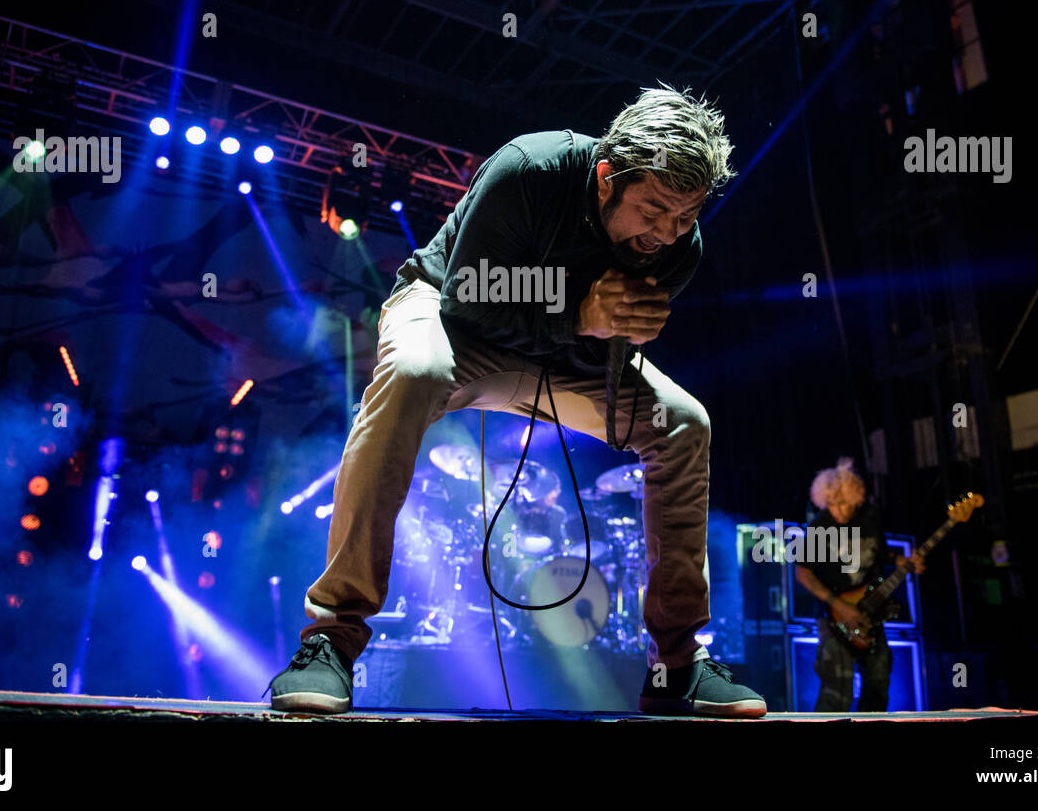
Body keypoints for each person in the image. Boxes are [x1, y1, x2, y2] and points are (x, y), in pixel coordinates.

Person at [265, 83, 766, 717]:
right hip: (452, 314)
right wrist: (579, 314)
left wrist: (602, 331)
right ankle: (332, 638)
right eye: (655, 208)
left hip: (560, 354)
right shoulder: (530, 169)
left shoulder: (676, 249)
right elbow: (468, 299)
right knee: (415, 370)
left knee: (683, 422)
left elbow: (591, 351)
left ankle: (677, 666)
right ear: (608, 177)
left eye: (685, 217)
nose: (666, 235)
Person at [794, 457, 925, 711]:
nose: (838, 510)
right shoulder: (820, 526)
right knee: (837, 687)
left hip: (871, 613)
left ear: (856, 498)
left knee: (878, 679)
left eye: (843, 503)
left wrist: (901, 561)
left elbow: (881, 553)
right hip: (833, 618)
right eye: (831, 504)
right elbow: (803, 574)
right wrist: (839, 605)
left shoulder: (871, 518)